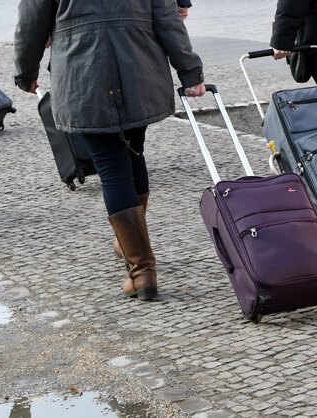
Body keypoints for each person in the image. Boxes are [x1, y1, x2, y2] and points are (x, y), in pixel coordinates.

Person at [14, 0, 205, 302]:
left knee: (113, 167)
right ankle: (128, 245)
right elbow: (167, 17)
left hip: (83, 75)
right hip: (138, 68)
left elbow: (31, 19)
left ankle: (142, 271)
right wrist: (190, 71)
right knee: (133, 153)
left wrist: (26, 71)